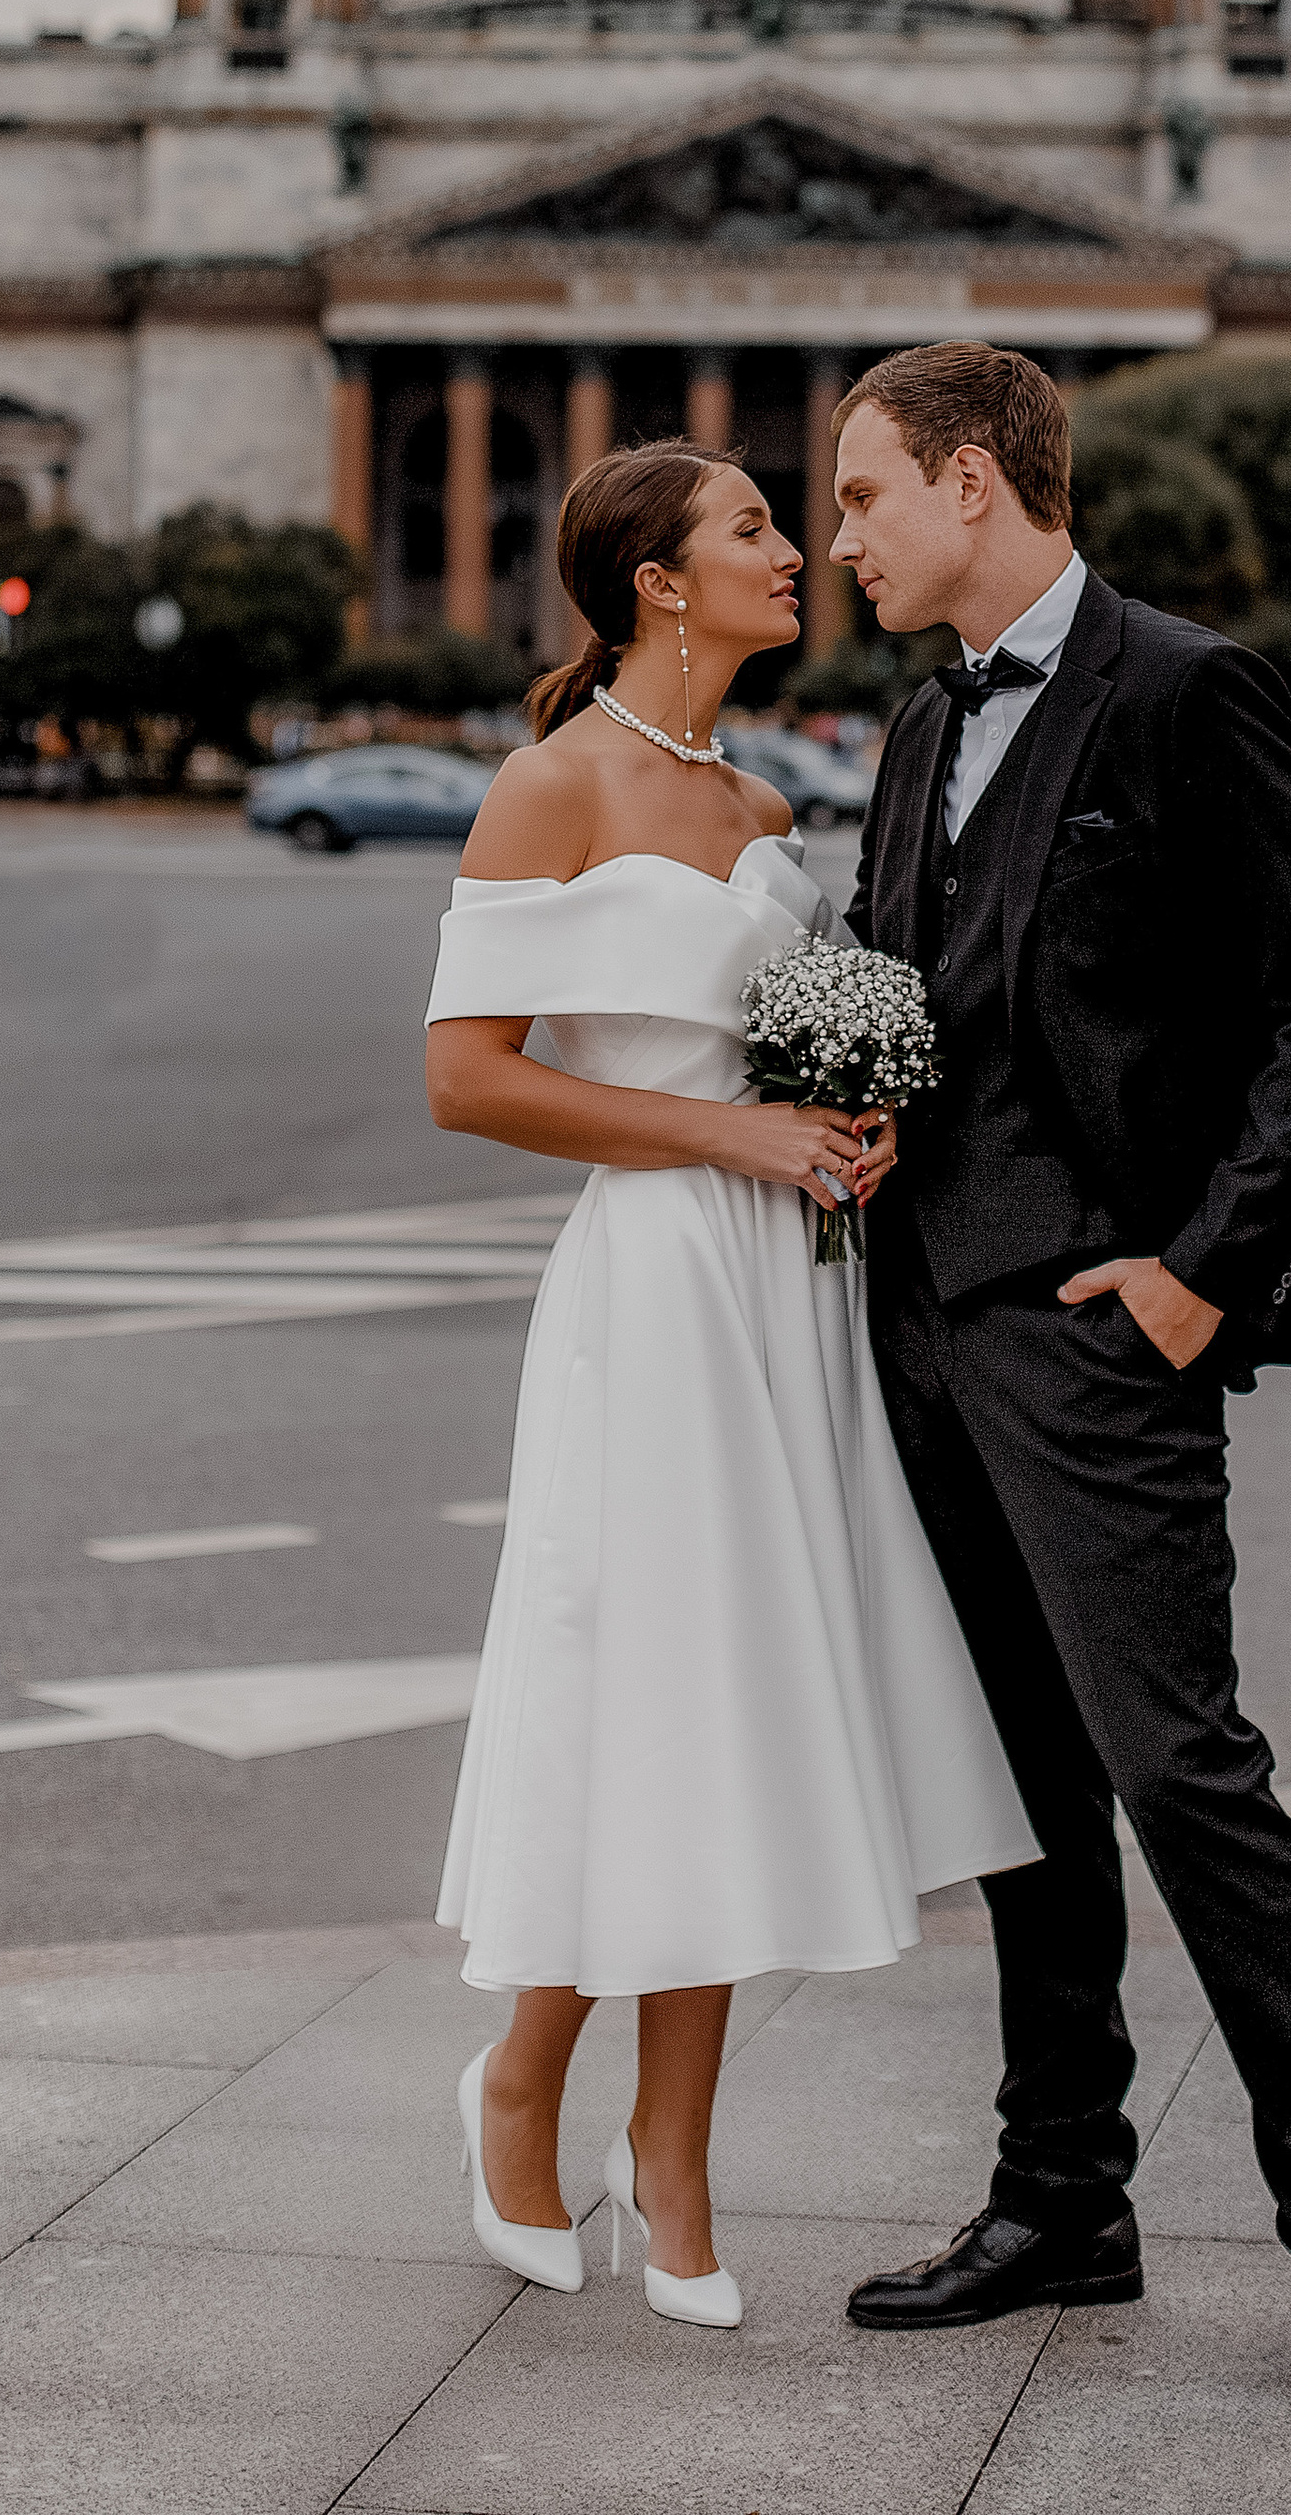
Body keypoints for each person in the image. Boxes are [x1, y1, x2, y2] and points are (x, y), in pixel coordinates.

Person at [828, 342, 1291, 2415]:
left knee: (1179, 1773)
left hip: (1096, 1329)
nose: (843, 538)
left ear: (973, 483)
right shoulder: (924, 722)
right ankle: (1062, 2194)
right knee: (1019, 1787)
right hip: (923, 1317)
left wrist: (1196, 1278)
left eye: (863, 496)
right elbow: (906, 981)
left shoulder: (1184, 689)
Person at [423, 442, 1035, 2333]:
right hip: (659, 1286)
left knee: (734, 1711)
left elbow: (784, 1055)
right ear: (659, 582)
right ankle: (522, 2084)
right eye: (758, 530)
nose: (800, 552)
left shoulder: (762, 799)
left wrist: (844, 1124)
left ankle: (669, 2148)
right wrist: (735, 1137)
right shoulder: (552, 784)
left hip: (790, 1285)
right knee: (636, 1689)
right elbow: (468, 1077)